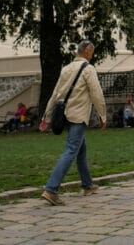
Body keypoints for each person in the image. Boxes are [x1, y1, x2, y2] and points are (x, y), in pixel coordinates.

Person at [39, 40, 107, 205]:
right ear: (88, 52)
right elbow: (96, 93)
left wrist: (46, 116)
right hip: (78, 116)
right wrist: (102, 115)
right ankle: (51, 189)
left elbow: (56, 93)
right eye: (92, 53)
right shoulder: (88, 69)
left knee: (80, 150)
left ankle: (87, 185)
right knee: (71, 151)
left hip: (65, 116)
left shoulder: (66, 69)